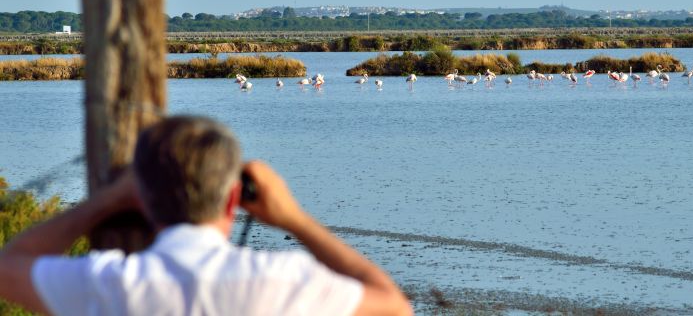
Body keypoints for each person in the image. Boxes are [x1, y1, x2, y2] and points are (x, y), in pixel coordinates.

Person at [0, 116, 412, 315]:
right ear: (235, 198)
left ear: (141, 199)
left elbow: (9, 266)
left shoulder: (110, 284)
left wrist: (105, 201)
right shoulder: (285, 281)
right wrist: (293, 218)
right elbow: (394, 306)